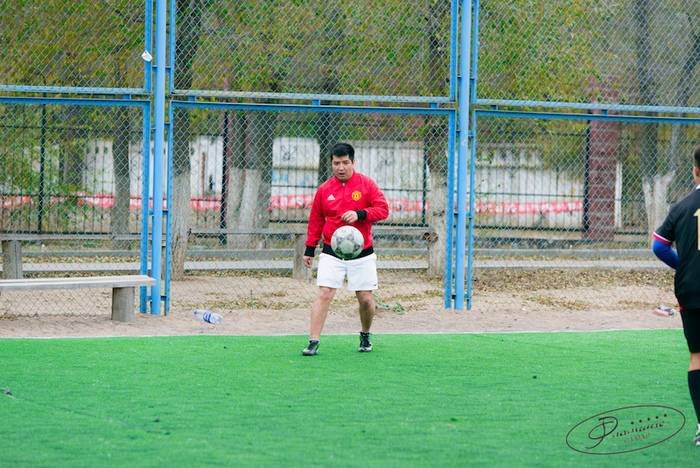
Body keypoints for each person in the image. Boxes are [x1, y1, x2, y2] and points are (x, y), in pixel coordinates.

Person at [301, 142, 389, 356]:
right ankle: (313, 340)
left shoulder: (366, 184)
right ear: (331, 164)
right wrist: (310, 248)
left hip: (362, 253)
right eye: (336, 163)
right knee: (324, 293)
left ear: (353, 162)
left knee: (365, 299)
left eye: (345, 163)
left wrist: (360, 214)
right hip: (332, 252)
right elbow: (316, 220)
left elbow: (383, 210)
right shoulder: (324, 190)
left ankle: (365, 334)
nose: (341, 167)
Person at [652, 145, 700, 446]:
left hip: (691, 288)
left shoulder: (681, 207)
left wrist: (685, 265)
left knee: (697, 356)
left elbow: (659, 246)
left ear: (695, 170)